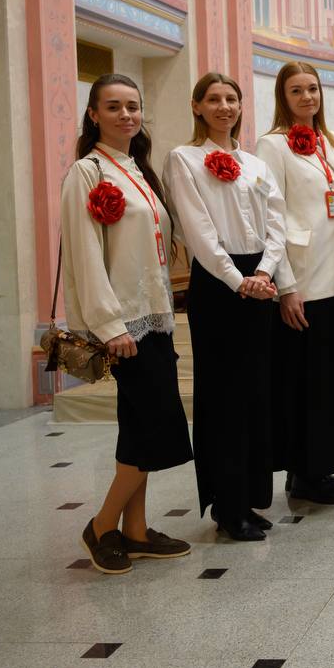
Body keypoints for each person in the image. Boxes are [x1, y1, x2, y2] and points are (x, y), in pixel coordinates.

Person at [63, 74, 192, 574]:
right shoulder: (87, 172)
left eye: (133, 107)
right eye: (114, 106)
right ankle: (101, 526)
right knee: (155, 427)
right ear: (93, 114)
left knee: (139, 428)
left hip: (153, 317)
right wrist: (109, 324)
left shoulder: (138, 169)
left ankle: (135, 531)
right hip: (123, 325)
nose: (125, 115)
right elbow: (84, 254)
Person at [163, 72, 284, 540]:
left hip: (259, 280)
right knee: (224, 397)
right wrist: (238, 282)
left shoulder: (254, 164)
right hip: (218, 284)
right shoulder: (184, 158)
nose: (224, 106)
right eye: (213, 99)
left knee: (256, 393)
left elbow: (277, 221)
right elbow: (197, 231)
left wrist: (265, 272)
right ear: (197, 106)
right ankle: (227, 505)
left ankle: (249, 497)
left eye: (231, 98)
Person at [256, 62, 334, 505]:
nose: (307, 97)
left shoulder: (333, 140)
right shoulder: (272, 145)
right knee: (304, 380)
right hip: (302, 278)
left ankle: (322, 465)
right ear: (283, 97)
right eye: (297, 90)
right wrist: (285, 286)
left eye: (313, 89)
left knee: (331, 378)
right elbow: (272, 218)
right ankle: (304, 471)